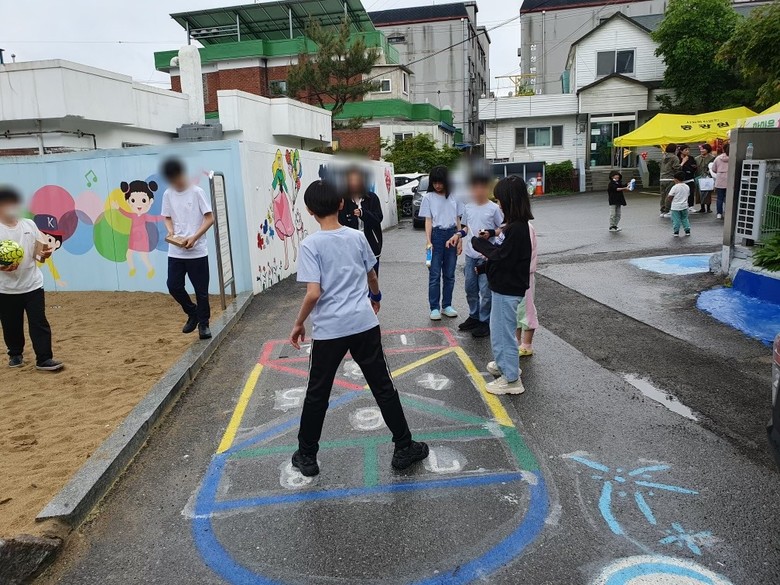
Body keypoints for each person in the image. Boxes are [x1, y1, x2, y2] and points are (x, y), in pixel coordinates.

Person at [289, 180, 429, 477]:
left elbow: (313, 293)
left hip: (329, 330)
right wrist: (375, 298)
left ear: (310, 210)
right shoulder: (356, 237)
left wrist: (299, 323)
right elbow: (372, 276)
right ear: (341, 204)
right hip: (363, 324)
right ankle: (404, 446)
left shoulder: (310, 245)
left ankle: (307, 455)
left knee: (317, 392)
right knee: (383, 386)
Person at [471, 176, 533, 396]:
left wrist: (478, 243)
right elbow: (503, 255)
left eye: (500, 200)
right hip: (502, 287)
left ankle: (511, 379)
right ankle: (505, 364)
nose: (499, 205)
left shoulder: (518, 229)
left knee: (503, 334)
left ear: (511, 200)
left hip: (508, 290)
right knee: (498, 331)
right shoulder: (512, 227)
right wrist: (484, 267)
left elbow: (500, 256)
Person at [0, 187, 63, 371]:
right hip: (6, 288)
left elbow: (39, 255)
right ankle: (15, 354)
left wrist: (45, 254)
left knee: (39, 322)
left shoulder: (29, 225)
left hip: (33, 284)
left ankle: (44, 358)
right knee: (11, 324)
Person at [161, 159, 215, 340]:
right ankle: (192, 313)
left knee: (201, 291)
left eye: (175, 178)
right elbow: (167, 217)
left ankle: (204, 325)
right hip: (176, 251)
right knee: (173, 286)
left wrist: (194, 237)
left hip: (197, 251)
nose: (174, 183)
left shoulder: (197, 192)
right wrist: (170, 231)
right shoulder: (168, 194)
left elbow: (209, 218)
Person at [446, 167, 503, 339]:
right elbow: (465, 228)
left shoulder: (494, 208)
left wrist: (491, 234)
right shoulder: (468, 207)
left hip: (486, 257)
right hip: (470, 256)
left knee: (485, 291)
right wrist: (458, 235)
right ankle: (474, 316)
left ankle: (485, 321)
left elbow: (502, 229)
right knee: (470, 288)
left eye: (481, 186)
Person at [420, 165, 463, 321]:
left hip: (452, 234)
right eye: (435, 182)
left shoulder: (455, 196)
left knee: (450, 274)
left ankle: (447, 305)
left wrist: (460, 240)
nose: (438, 185)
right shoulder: (428, 197)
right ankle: (434, 308)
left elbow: (458, 219)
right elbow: (428, 220)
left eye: (440, 182)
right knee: (435, 274)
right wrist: (428, 241)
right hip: (436, 236)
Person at [338, 167, 384, 276]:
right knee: (355, 278)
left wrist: (363, 214)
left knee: (373, 277)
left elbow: (378, 218)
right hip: (350, 247)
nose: (354, 183)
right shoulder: (343, 200)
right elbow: (340, 222)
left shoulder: (372, 198)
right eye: (351, 180)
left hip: (371, 244)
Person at [516, 221, 538, 357]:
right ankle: (516, 342)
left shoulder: (525, 227)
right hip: (514, 275)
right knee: (515, 310)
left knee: (526, 309)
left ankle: (527, 345)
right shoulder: (512, 226)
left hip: (524, 275)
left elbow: (524, 253)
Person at [667, 171, 692, 237]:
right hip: (684, 205)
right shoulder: (687, 186)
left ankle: (676, 231)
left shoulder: (675, 187)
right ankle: (687, 230)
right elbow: (688, 195)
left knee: (676, 219)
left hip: (675, 206)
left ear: (676, 179)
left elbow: (670, 196)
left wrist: (670, 200)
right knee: (685, 218)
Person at [659, 144, 681, 217]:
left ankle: (662, 210)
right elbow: (676, 168)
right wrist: (682, 164)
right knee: (669, 195)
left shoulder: (663, 157)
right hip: (670, 178)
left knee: (663, 195)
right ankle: (667, 210)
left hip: (662, 178)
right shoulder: (674, 157)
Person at [695, 144, 716, 213]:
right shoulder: (697, 158)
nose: (702, 150)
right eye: (701, 149)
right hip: (699, 177)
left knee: (707, 193)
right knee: (699, 193)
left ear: (707, 150)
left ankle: (708, 208)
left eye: (703, 149)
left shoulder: (712, 158)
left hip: (708, 177)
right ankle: (702, 207)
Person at [711, 143, 730, 220]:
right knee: (730, 197)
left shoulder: (718, 158)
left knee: (720, 198)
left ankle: (719, 213)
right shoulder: (734, 157)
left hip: (720, 179)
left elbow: (713, 169)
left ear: (723, 149)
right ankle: (728, 212)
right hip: (730, 178)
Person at [678, 145, 698, 211]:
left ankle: (691, 206)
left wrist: (692, 168)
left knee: (691, 192)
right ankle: (682, 206)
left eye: (688, 150)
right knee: (681, 193)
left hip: (690, 177)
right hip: (680, 178)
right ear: (681, 151)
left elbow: (694, 166)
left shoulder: (691, 158)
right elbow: (677, 167)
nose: (688, 151)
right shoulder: (677, 158)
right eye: (686, 150)